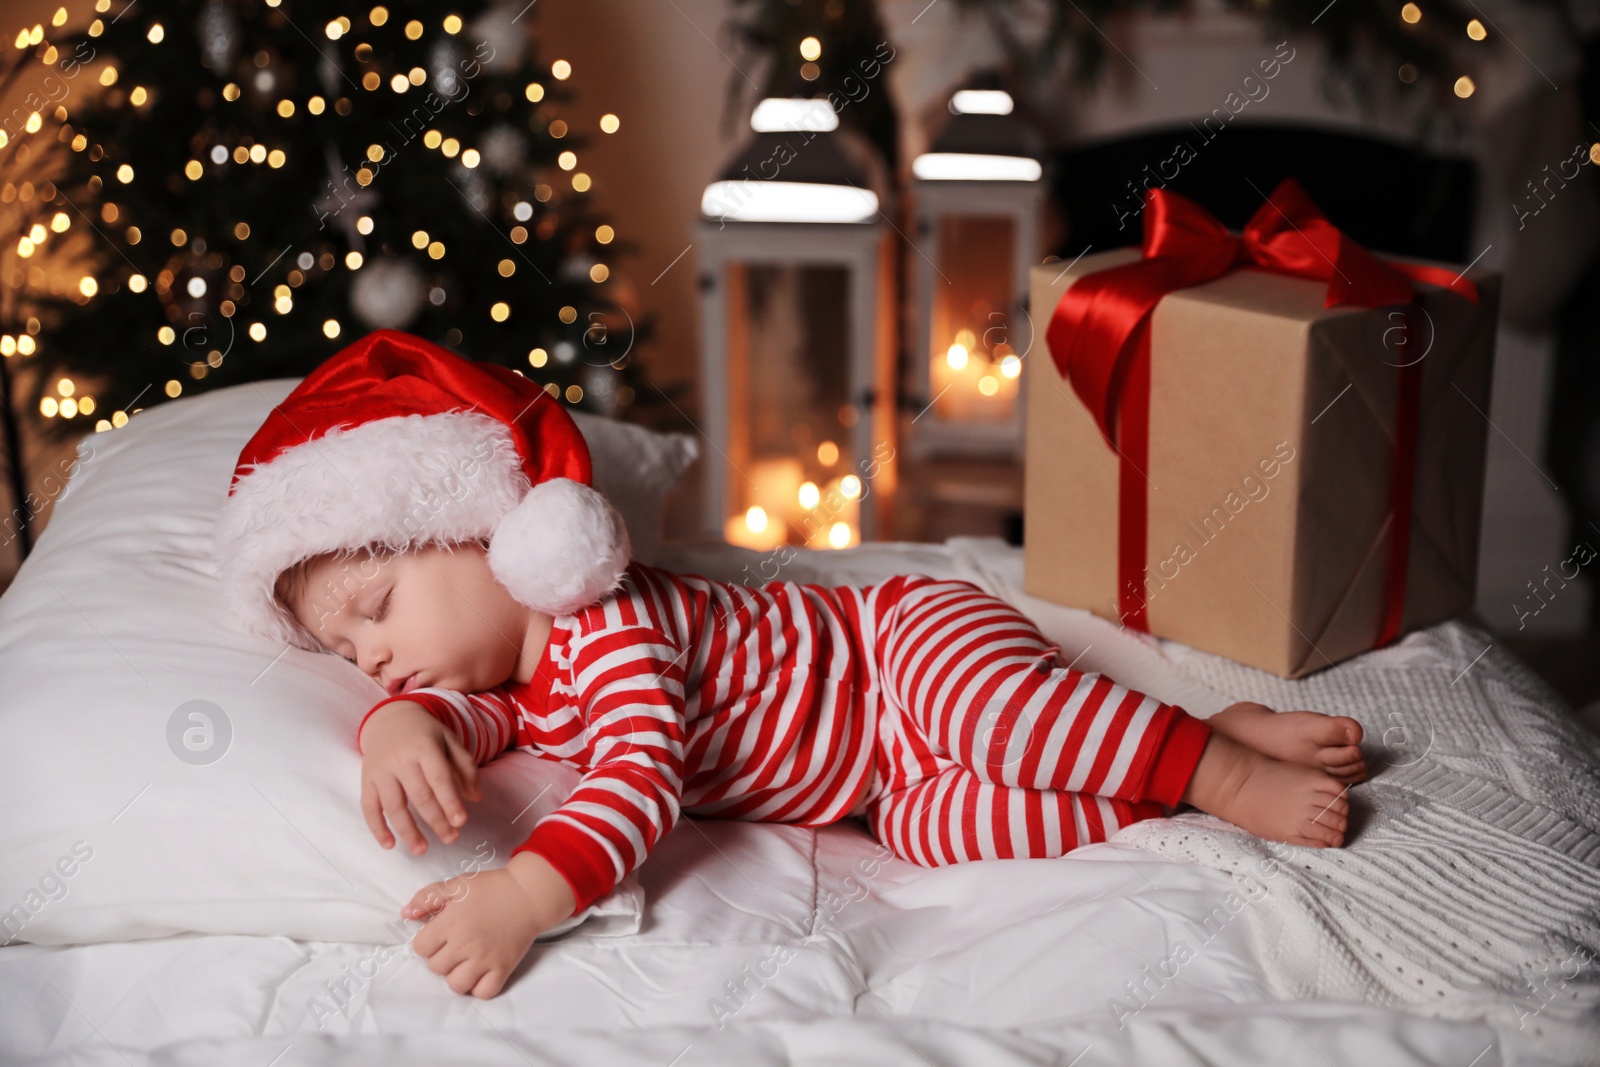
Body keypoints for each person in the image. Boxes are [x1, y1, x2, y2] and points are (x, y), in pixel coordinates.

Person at [216, 329, 1363, 1002]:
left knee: (1002, 720)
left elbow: (639, 779)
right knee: (955, 825)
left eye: (374, 608)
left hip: (896, 653)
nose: (371, 655)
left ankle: (1216, 767)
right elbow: (472, 729)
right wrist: (395, 728)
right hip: (872, 785)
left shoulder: (606, 626)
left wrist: (526, 892)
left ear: (492, 528)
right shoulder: (511, 692)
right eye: (345, 651)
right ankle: (1188, 744)